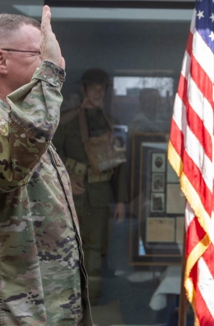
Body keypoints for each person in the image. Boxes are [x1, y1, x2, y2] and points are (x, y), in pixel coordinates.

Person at [0, 7, 91, 325]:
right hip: (10, 310)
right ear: (0, 60)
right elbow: (5, 166)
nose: (50, 64)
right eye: (38, 55)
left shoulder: (16, 115)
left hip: (44, 307)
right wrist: (51, 73)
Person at [53, 68, 128, 305]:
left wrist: (122, 201)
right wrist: (66, 179)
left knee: (95, 249)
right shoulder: (65, 120)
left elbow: (119, 167)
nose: (98, 93)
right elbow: (49, 155)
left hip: (99, 196)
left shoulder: (112, 124)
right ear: (84, 89)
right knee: (66, 245)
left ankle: (91, 302)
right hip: (70, 195)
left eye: (102, 89)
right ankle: (67, 301)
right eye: (93, 88)